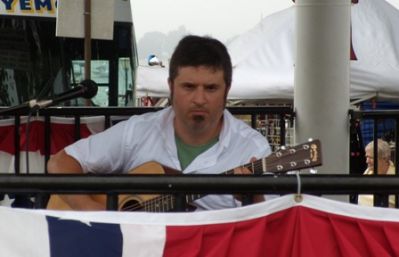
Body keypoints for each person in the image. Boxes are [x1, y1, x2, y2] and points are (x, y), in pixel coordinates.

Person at [47, 35, 271, 211]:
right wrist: (90, 210)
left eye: (211, 88)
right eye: (189, 87)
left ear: (227, 90)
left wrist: (253, 197)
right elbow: (59, 163)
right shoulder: (138, 131)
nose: (200, 99)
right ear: (171, 87)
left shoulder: (253, 149)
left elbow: (273, 228)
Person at [358, 139, 396, 208]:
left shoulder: (395, 177)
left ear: (384, 158)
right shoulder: (367, 172)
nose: (367, 161)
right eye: (366, 157)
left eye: (371, 158)